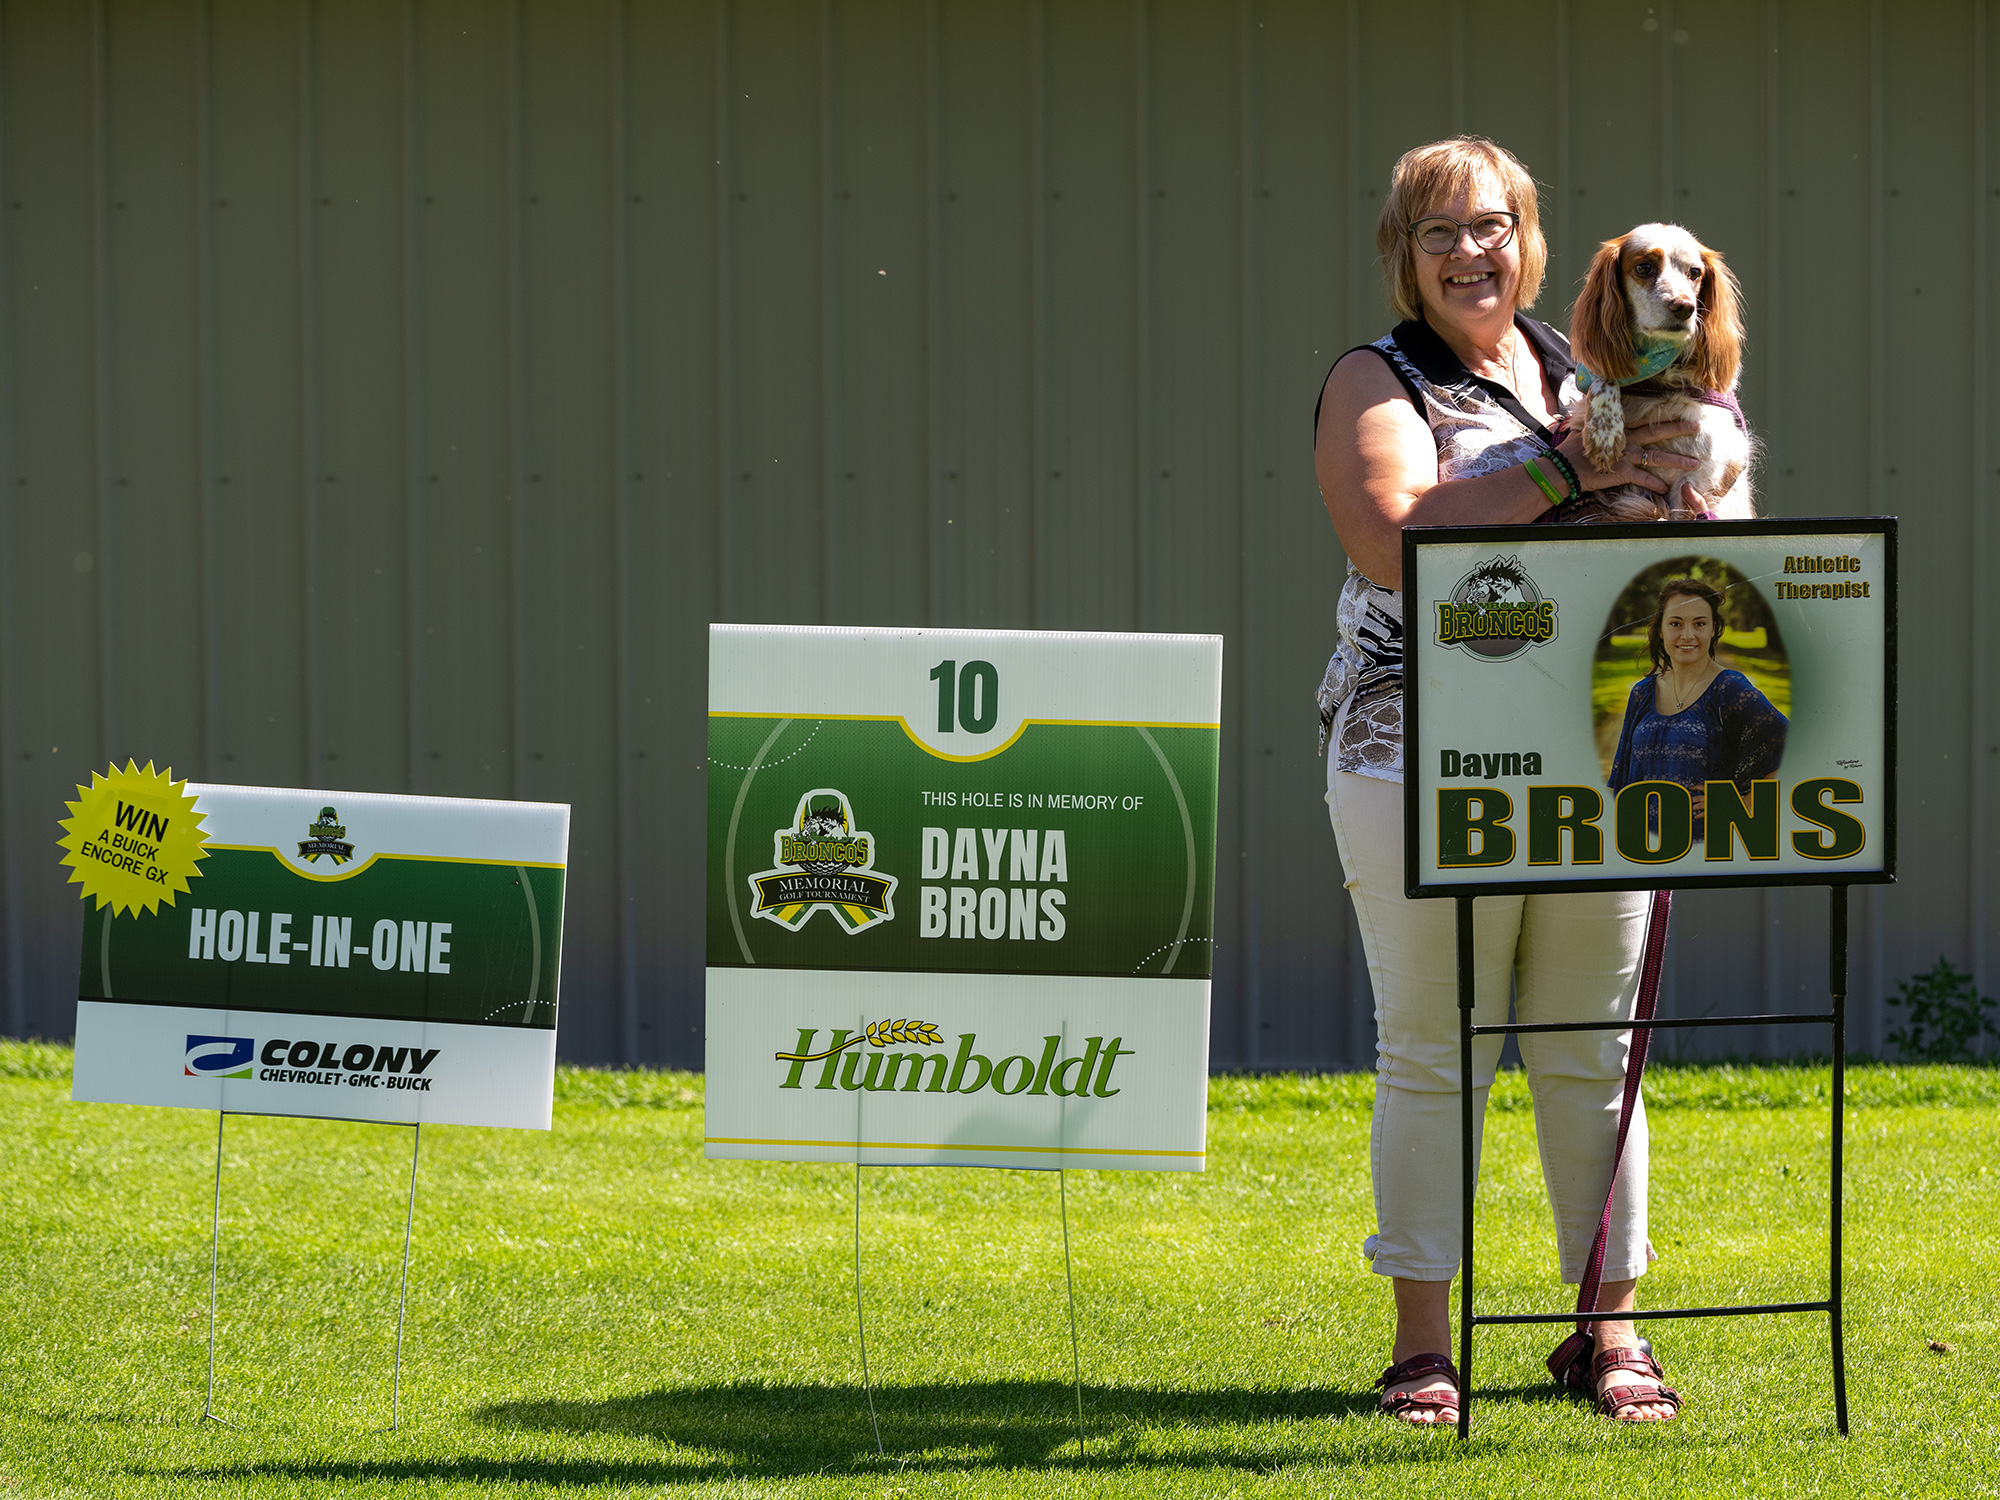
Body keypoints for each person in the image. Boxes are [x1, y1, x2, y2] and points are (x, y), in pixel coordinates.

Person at [1313, 137, 1701, 1426]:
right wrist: (1566, 468)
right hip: (1416, 756)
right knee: (1434, 1051)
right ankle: (1422, 1348)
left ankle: (1608, 1334)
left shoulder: (1588, 366)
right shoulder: (1377, 377)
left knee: (1593, 1048)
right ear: (1402, 255)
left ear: (1528, 242)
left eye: (1489, 227)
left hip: (1599, 755)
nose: (1467, 253)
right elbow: (1389, 543)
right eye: (1437, 232)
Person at [1608, 578, 1788, 826]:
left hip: (1705, 841)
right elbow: (1622, 781)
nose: (1687, 635)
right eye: (1676, 623)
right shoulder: (1642, 693)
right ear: (1660, 629)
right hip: (1644, 840)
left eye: (1699, 623)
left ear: (1713, 629)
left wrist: (1740, 803)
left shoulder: (1729, 688)